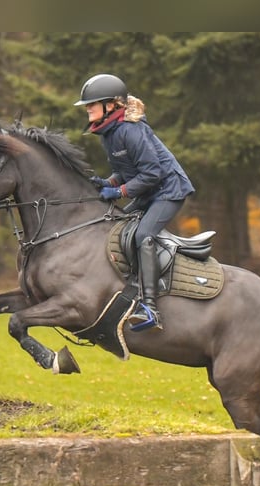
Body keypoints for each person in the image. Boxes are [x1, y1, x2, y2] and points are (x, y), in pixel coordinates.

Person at [75, 73, 195, 331]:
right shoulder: (110, 133)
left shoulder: (131, 130)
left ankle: (151, 307)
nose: (88, 108)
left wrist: (119, 193)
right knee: (114, 225)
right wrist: (107, 183)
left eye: (93, 103)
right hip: (149, 191)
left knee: (144, 237)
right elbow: (127, 171)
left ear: (112, 105)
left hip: (168, 191)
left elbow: (153, 174)